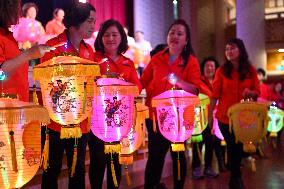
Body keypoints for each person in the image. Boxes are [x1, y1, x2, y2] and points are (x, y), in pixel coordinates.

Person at [40, 2, 96, 189]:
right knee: (52, 169)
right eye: (89, 21)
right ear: (76, 21)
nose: (93, 26)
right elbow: (47, 83)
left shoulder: (89, 51)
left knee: (78, 169)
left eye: (94, 21)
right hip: (54, 122)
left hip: (80, 121)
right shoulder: (52, 47)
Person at [141, 19, 201, 189]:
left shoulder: (191, 62)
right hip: (155, 117)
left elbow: (195, 90)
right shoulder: (157, 58)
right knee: (155, 158)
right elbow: (142, 81)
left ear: (186, 40)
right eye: (172, 32)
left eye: (179, 33)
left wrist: (178, 81)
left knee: (178, 156)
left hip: (179, 119)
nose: (175, 36)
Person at [88, 19, 142, 189]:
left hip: (119, 121)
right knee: (97, 160)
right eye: (106, 35)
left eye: (114, 34)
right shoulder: (93, 59)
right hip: (97, 120)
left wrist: (122, 85)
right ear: (101, 38)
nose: (110, 38)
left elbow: (137, 88)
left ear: (121, 38)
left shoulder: (128, 63)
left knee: (115, 161)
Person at [208, 38, 260, 189]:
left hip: (244, 117)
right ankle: (237, 178)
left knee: (238, 148)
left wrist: (251, 92)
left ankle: (234, 179)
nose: (229, 51)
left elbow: (257, 91)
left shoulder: (250, 70)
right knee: (232, 146)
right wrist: (210, 117)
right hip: (225, 117)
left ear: (240, 50)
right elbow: (214, 95)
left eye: (232, 48)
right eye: (227, 49)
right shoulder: (221, 71)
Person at [0, 0, 51, 102]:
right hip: (5, 110)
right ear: (6, 8)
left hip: (17, 106)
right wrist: (28, 54)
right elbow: (1, 74)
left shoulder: (7, 36)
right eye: (17, 6)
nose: (19, 12)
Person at [191, 56, 221, 179]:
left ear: (215, 69)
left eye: (212, 66)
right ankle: (196, 168)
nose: (209, 68)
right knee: (198, 142)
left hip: (214, 119)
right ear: (203, 68)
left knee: (210, 143)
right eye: (207, 66)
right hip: (199, 118)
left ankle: (208, 167)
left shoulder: (218, 81)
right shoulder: (198, 81)